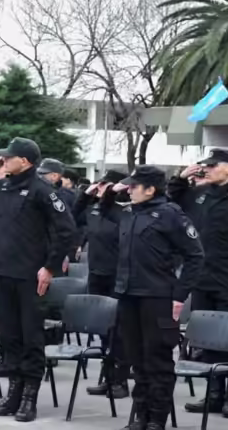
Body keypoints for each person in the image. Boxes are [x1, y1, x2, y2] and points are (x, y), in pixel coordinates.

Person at [0, 138, 77, 422]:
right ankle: (13, 394)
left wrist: (50, 267)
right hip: (2, 272)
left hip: (30, 275)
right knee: (9, 336)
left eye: (9, 157)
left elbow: (67, 230)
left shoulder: (42, 191)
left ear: (26, 161)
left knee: (31, 337)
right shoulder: (3, 186)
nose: (4, 160)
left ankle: (29, 398)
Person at [169, 149, 228, 418]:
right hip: (205, 277)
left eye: (213, 166)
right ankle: (214, 394)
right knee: (208, 342)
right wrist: (180, 178)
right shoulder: (201, 194)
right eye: (206, 166)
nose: (207, 169)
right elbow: (172, 203)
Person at [115, 166, 204, 430]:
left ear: (150, 189)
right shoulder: (130, 213)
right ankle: (140, 415)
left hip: (158, 297)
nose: (129, 190)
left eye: (134, 186)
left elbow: (195, 256)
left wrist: (179, 295)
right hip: (129, 295)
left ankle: (156, 419)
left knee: (158, 361)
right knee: (137, 360)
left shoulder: (170, 214)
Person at [77, 170, 131, 399]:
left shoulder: (123, 212)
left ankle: (120, 381)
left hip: (116, 277)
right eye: (98, 184)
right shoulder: (95, 210)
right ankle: (107, 378)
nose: (100, 188)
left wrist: (109, 192)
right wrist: (86, 195)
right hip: (96, 275)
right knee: (103, 331)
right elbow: (74, 215)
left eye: (104, 185)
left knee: (119, 332)